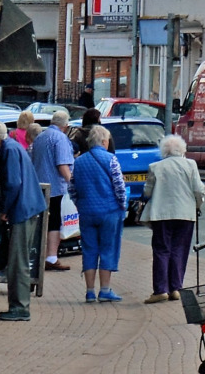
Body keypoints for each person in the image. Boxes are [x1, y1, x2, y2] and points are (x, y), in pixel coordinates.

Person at [0, 120, 43, 322]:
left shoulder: (7, 150)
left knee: (18, 261)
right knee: (18, 259)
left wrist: (4, 209)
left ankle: (20, 307)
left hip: (21, 208)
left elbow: (12, 183)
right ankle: (19, 305)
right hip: (27, 206)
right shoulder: (12, 147)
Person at [71, 125, 131, 302]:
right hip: (109, 211)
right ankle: (105, 290)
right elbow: (119, 187)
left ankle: (89, 291)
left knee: (89, 250)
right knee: (108, 249)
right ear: (104, 142)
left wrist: (79, 205)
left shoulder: (79, 161)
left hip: (87, 212)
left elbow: (72, 188)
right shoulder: (111, 159)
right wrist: (123, 205)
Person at [144, 135, 205, 302]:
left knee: (161, 250)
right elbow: (199, 190)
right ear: (183, 150)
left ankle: (160, 290)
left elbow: (147, 192)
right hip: (185, 214)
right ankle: (176, 288)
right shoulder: (191, 165)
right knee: (179, 249)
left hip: (161, 215)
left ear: (164, 151)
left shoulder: (156, 167)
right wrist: (197, 205)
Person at [30, 108, 75, 270]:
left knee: (41, 221)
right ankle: (51, 257)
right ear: (65, 125)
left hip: (37, 186)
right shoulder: (61, 138)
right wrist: (73, 183)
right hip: (54, 188)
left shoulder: (40, 136)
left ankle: (38, 255)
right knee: (54, 222)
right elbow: (62, 164)